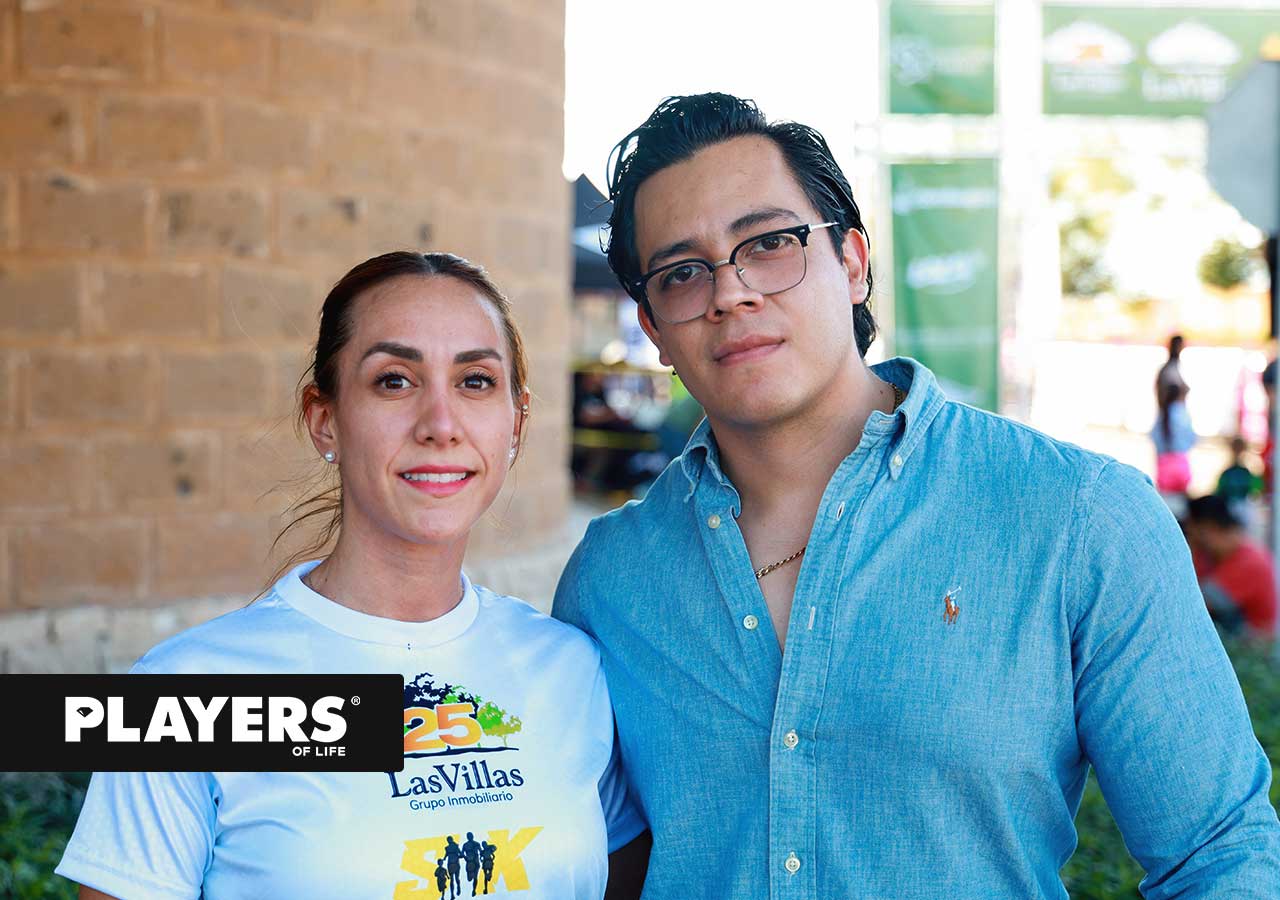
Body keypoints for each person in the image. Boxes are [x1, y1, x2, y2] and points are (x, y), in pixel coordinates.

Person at [553, 93, 1280, 898]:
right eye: (683, 272)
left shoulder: (1080, 518)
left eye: (769, 243)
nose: (731, 293)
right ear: (654, 326)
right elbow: (595, 857)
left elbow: (1219, 855)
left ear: (852, 262)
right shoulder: (610, 579)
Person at [57, 252, 646, 899]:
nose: (441, 425)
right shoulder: (187, 692)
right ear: (325, 421)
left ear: (517, 422)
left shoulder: (572, 670)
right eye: (394, 381)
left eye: (475, 381)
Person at [1185, 494, 1277, 640]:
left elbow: (1191, 605)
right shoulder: (1216, 555)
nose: (1190, 538)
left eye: (1192, 532)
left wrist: (1189, 549)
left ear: (1208, 528)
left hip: (1252, 646)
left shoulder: (1249, 563)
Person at [1151, 380, 1195, 494]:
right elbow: (1191, 438)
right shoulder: (1182, 413)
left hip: (1163, 462)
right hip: (1180, 461)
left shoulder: (1162, 414)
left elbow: (1154, 437)